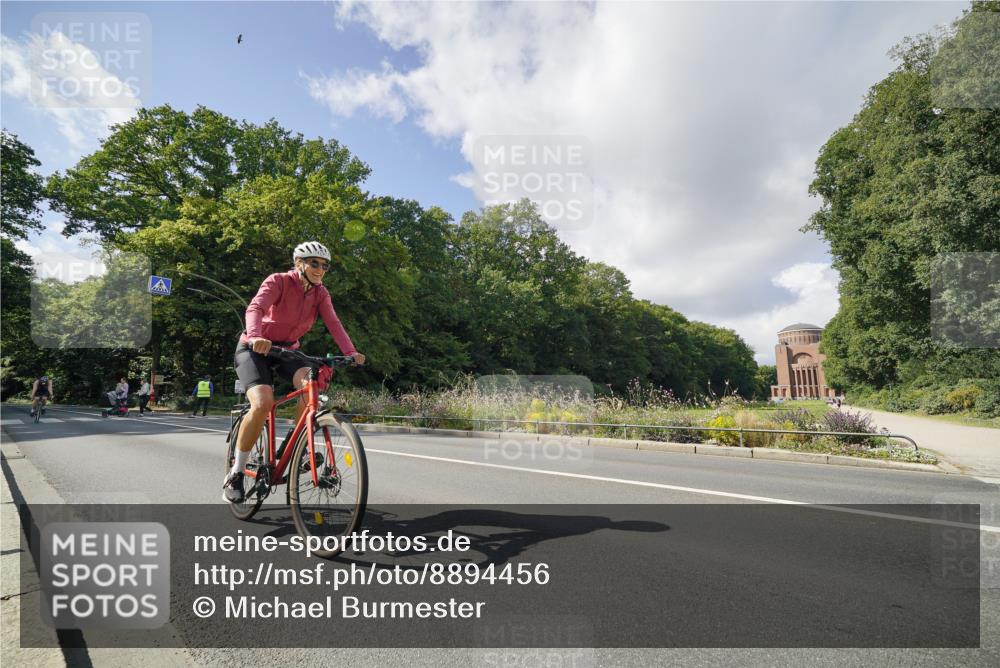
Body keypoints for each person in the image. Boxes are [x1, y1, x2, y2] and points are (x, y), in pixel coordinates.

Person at [223, 241, 365, 503]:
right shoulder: (278, 281)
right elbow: (255, 308)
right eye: (314, 263)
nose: (320, 269)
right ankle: (236, 472)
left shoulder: (321, 293)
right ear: (299, 263)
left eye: (325, 265)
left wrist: (350, 351)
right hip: (255, 349)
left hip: (288, 351)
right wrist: (255, 336)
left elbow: (334, 323)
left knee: (312, 385)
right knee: (263, 402)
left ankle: (299, 445)